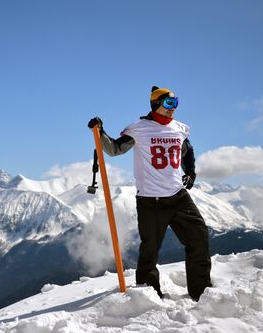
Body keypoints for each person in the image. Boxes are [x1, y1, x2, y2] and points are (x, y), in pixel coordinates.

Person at [87, 86, 212, 301]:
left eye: (176, 103)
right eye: (169, 103)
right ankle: (148, 295)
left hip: (178, 197)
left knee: (199, 238)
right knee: (150, 251)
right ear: (156, 104)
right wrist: (101, 132)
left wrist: (190, 172)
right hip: (150, 201)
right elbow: (115, 149)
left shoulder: (179, 128)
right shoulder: (139, 129)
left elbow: (187, 151)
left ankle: (201, 292)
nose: (173, 108)